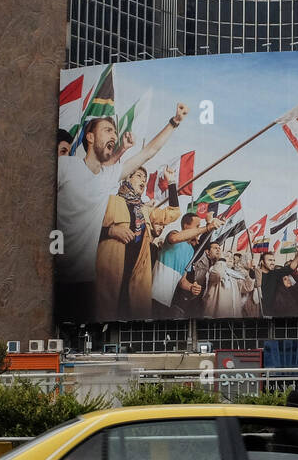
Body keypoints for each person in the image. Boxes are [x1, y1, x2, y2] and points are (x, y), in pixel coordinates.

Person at [56, 99, 189, 314]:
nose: (114, 135)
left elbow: (149, 152)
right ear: (89, 137)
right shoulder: (65, 167)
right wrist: (111, 231)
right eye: (108, 130)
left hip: (89, 284)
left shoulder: (108, 180)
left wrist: (174, 122)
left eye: (115, 133)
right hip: (61, 277)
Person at [97, 167, 181, 320]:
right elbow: (84, 227)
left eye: (145, 178)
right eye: (139, 176)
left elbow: (174, 213)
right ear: (127, 178)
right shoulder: (109, 201)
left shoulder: (145, 210)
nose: (143, 180)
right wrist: (110, 231)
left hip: (135, 279)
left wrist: (171, 181)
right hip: (108, 275)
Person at [152, 211, 220, 316]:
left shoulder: (190, 251)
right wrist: (207, 227)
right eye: (196, 226)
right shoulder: (173, 235)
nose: (198, 229)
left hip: (166, 302)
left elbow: (182, 281)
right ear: (185, 226)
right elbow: (175, 238)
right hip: (151, 295)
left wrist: (191, 287)